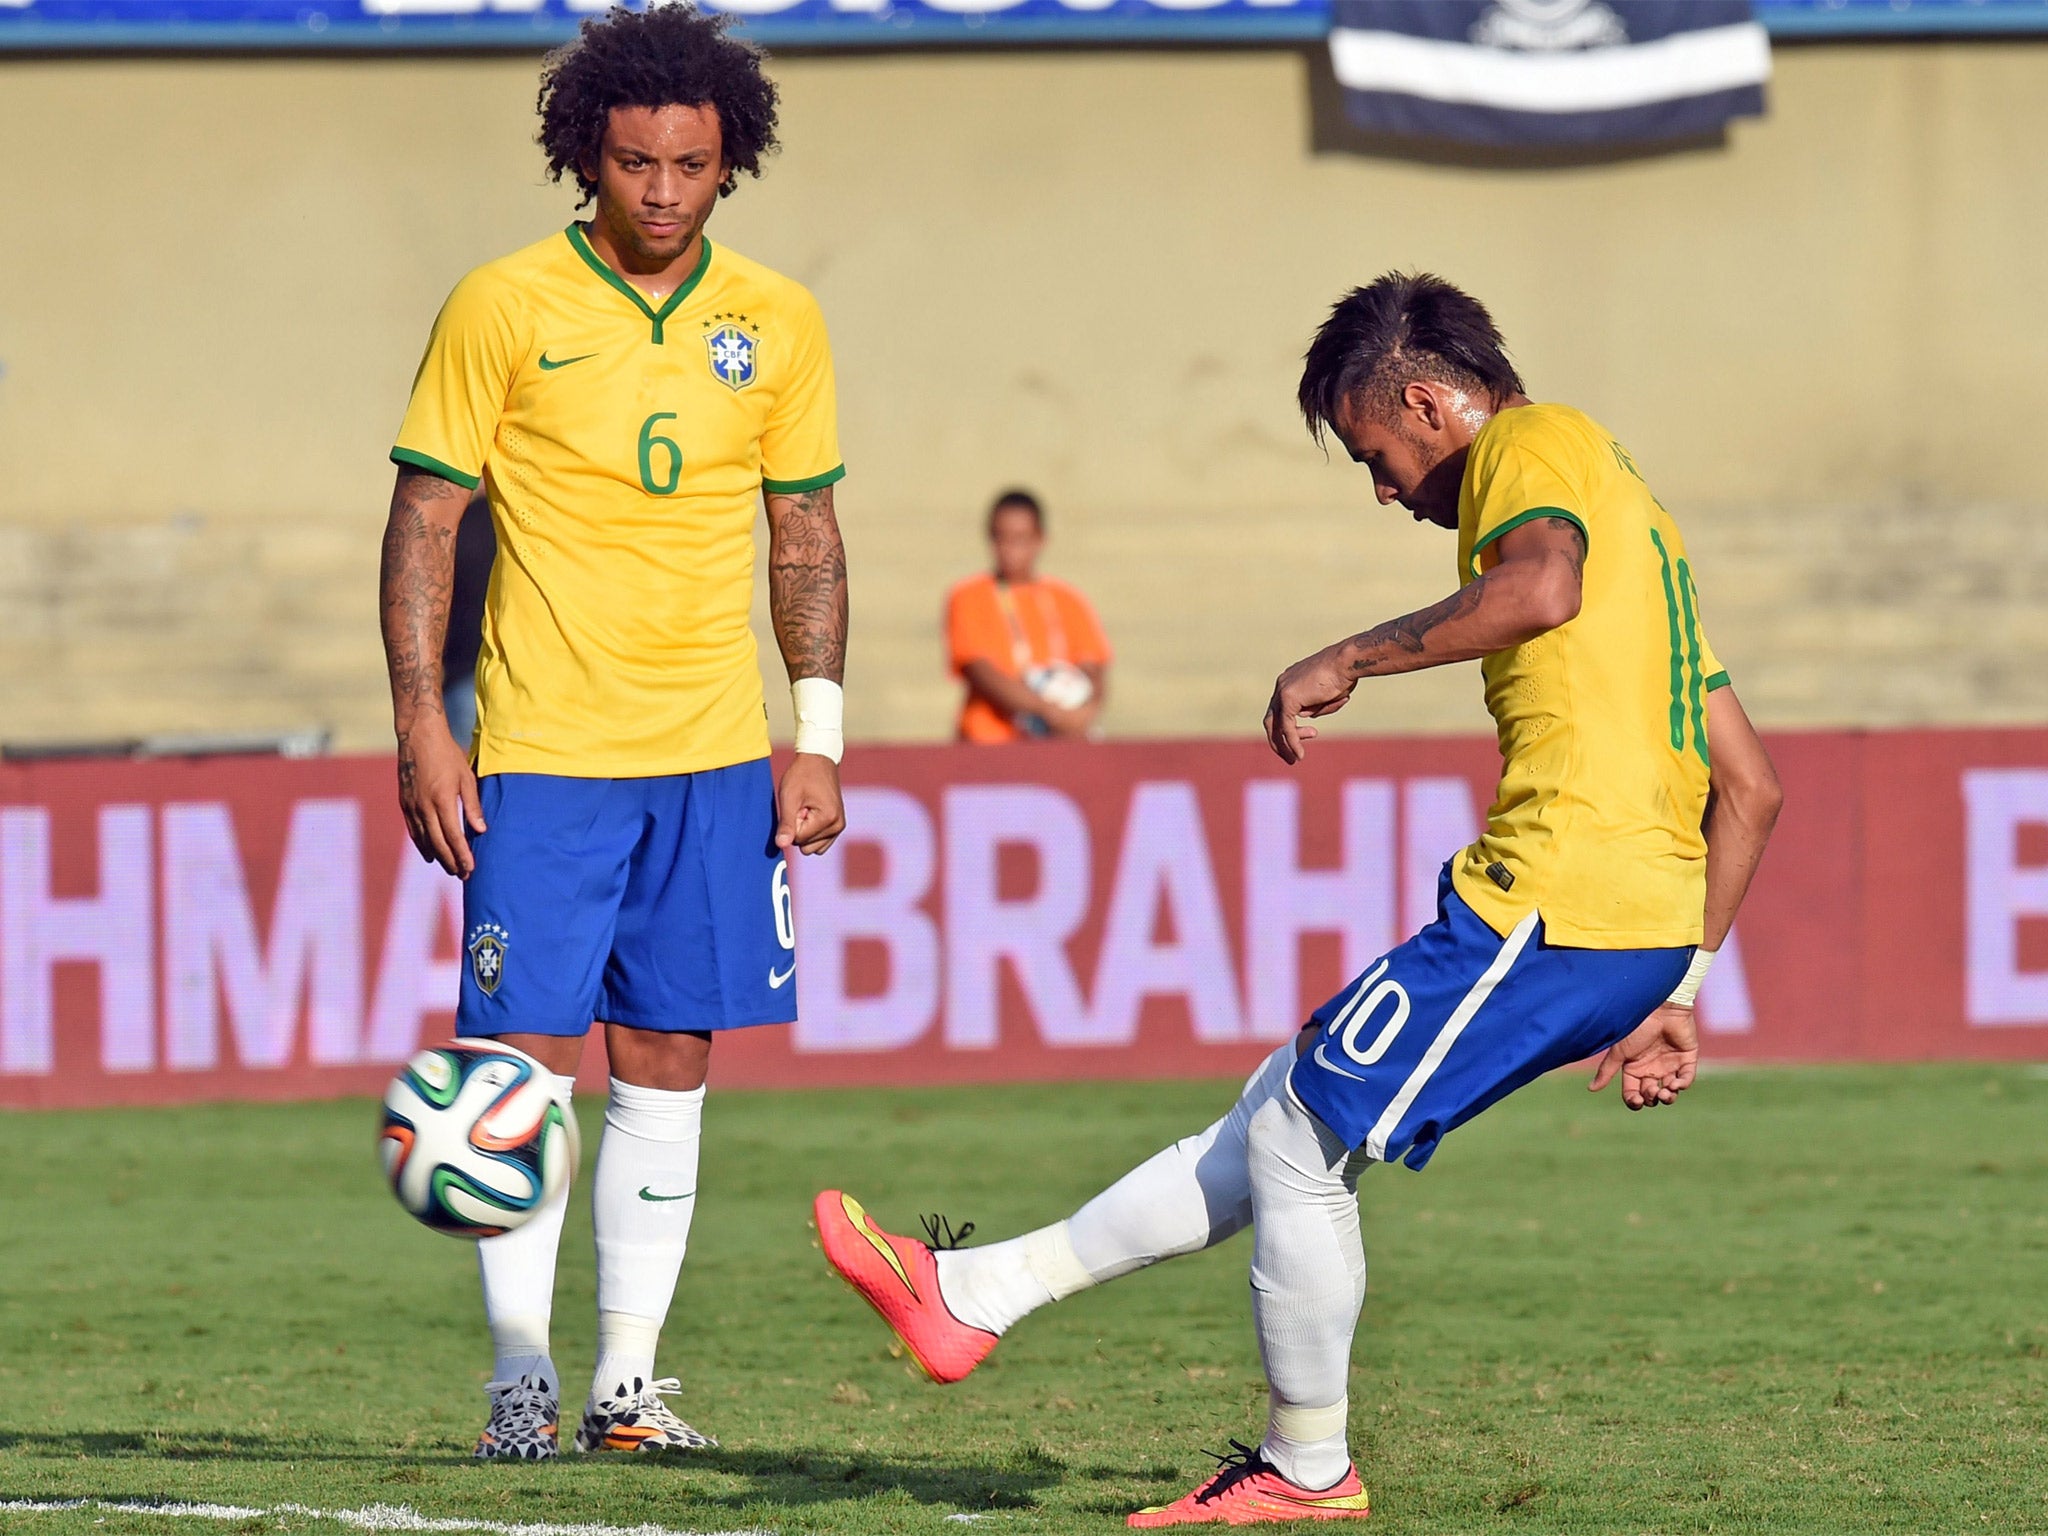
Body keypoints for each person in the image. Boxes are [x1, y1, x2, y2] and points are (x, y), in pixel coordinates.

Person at [815, 273, 1782, 1525]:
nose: (1385, 489)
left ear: (1431, 402)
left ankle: (1306, 1469)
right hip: (1619, 925)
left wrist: (1350, 653)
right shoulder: (1636, 516)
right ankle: (968, 1297)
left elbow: (1539, 590)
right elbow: (1749, 787)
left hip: (1560, 899)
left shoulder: (1530, 448)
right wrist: (1680, 983)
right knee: (1283, 1109)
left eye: (1375, 453)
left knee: (1295, 1142)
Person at [377, 3, 849, 1462]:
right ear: (587, 153)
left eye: (688, 165)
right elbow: (424, 520)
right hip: (541, 753)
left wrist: (816, 731)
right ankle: (520, 1378)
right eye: (633, 162)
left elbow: (808, 535)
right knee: (517, 1068)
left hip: (713, 759)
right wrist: (420, 726)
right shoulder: (501, 304)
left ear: (730, 165)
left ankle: (626, 1389)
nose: (658, 191)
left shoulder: (778, 318)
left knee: (668, 1059)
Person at [944, 489, 1110, 742]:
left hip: (1057, 746)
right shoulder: (968, 596)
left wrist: (1082, 714)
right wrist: (1045, 710)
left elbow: (1093, 667)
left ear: (1040, 539)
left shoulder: (1069, 600)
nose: (1009, 549)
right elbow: (981, 671)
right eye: (1001, 538)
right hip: (988, 746)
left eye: (1020, 539)